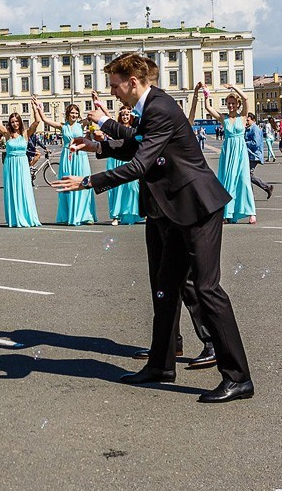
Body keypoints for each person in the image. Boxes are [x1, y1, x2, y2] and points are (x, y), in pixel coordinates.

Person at [53, 53, 253, 403]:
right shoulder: (153, 106)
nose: (112, 92)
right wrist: (100, 145)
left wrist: (88, 180)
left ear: (133, 81)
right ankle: (161, 365)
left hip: (197, 206)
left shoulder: (159, 106)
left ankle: (238, 377)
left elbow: (140, 163)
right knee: (165, 287)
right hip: (176, 209)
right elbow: (137, 144)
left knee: (207, 290)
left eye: (115, 85)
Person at [198, 84, 256, 224]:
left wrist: (233, 87)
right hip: (228, 151)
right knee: (227, 181)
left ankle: (251, 212)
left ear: (237, 104)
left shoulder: (243, 116)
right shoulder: (223, 118)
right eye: (229, 103)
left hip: (240, 151)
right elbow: (208, 108)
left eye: (233, 103)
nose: (230, 106)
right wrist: (206, 94)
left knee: (243, 180)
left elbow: (246, 98)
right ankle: (227, 213)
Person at [34, 99, 95, 225]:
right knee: (67, 185)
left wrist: (95, 101)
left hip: (80, 156)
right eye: (72, 113)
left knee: (84, 183)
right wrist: (39, 108)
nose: (74, 115)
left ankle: (86, 215)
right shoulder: (63, 126)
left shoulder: (81, 124)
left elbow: (93, 116)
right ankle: (69, 214)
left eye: (76, 113)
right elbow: (46, 120)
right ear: (68, 114)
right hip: (67, 157)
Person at [0, 107, 42, 228]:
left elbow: (37, 122)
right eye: (12, 122)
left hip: (22, 164)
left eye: (17, 121)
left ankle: (26, 216)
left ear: (20, 122)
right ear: (10, 123)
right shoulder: (7, 134)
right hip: (10, 164)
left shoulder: (26, 133)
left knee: (24, 189)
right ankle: (15, 217)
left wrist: (35, 109)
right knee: (13, 189)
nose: (15, 124)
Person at [103, 106, 144, 224]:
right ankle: (116, 216)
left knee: (132, 188)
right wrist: (100, 106)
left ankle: (131, 213)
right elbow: (108, 120)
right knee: (117, 188)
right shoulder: (118, 128)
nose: (125, 117)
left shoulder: (134, 128)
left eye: (127, 114)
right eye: (123, 115)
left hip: (129, 159)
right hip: (116, 159)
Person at [244, 112, 274, 200]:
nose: (246, 122)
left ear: (253, 120)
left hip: (254, 155)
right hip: (249, 154)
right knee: (247, 175)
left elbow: (255, 143)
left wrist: (244, 143)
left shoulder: (255, 129)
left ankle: (266, 187)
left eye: (248, 120)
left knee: (248, 175)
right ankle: (251, 194)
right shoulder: (249, 128)